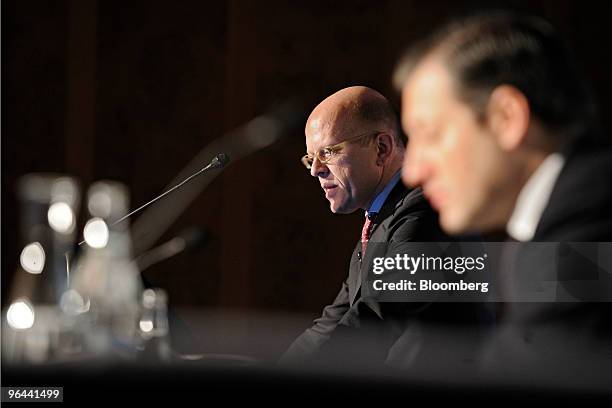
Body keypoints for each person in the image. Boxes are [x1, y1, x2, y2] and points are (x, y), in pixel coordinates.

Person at [393, 11, 612, 383]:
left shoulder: (590, 223)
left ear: (505, 118)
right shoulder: (571, 210)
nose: (413, 171)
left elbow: (533, 371)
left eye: (429, 134)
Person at [281, 86, 455, 364]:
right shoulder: (379, 221)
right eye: (310, 158)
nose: (315, 170)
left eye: (327, 152)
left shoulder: (423, 211)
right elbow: (330, 323)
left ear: (381, 148)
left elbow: (375, 316)